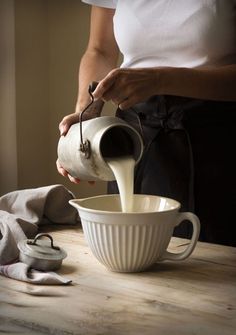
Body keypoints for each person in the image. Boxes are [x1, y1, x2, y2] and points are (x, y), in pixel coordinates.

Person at [57, 0, 236, 246]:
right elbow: (100, 50)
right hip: (133, 139)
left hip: (215, 139)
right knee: (128, 249)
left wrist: (161, 79)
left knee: (212, 265)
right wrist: (86, 114)